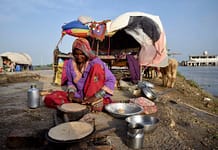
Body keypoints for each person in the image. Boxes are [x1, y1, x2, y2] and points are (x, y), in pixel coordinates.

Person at [66, 38, 116, 111]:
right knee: (53, 98)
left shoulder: (96, 62)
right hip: (79, 96)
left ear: (86, 52)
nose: (79, 57)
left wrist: (95, 97)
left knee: (97, 68)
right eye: (76, 54)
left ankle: (94, 102)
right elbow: (70, 81)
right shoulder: (71, 63)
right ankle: (84, 102)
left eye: (82, 54)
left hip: (94, 94)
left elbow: (111, 80)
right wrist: (71, 93)